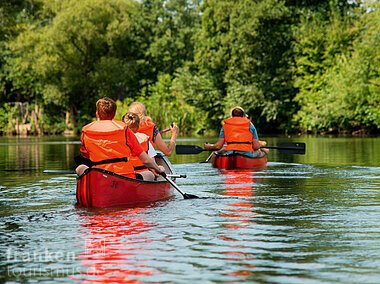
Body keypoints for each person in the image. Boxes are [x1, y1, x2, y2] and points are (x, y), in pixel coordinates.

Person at [75, 97, 165, 180]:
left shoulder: (85, 131)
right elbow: (145, 159)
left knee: (80, 168)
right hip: (124, 176)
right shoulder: (124, 129)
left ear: (97, 113)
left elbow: (86, 155)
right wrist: (158, 169)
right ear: (114, 114)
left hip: (99, 175)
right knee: (150, 174)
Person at [203, 106, 268, 157]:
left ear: (232, 116)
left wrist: (208, 147)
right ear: (243, 116)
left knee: (219, 152)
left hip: (231, 153)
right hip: (246, 154)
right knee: (262, 152)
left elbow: (218, 146)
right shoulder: (250, 125)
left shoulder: (225, 126)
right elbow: (256, 146)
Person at [122, 112, 158, 181]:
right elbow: (153, 164)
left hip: (125, 175)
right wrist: (159, 169)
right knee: (153, 173)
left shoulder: (119, 140)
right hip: (143, 175)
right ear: (138, 126)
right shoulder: (145, 138)